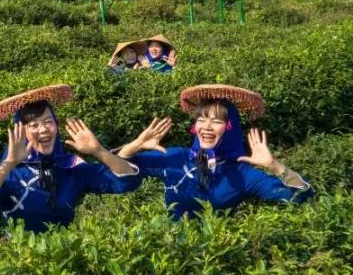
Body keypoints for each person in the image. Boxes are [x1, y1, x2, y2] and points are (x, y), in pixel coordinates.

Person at [116, 84, 313, 220]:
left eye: (217, 121)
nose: (207, 127)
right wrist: (136, 145)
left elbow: (301, 196)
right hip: (168, 252)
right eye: (202, 120)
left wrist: (275, 166)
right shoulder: (177, 157)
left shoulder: (242, 174)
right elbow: (120, 166)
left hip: (214, 255)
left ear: (230, 128)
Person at [0, 85, 143, 231]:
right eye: (33, 125)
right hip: (18, 258)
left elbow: (128, 181)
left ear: (56, 126)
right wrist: (7, 165)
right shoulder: (10, 172)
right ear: (22, 132)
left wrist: (98, 151)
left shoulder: (71, 167)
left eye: (48, 122)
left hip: (62, 257)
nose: (43, 130)